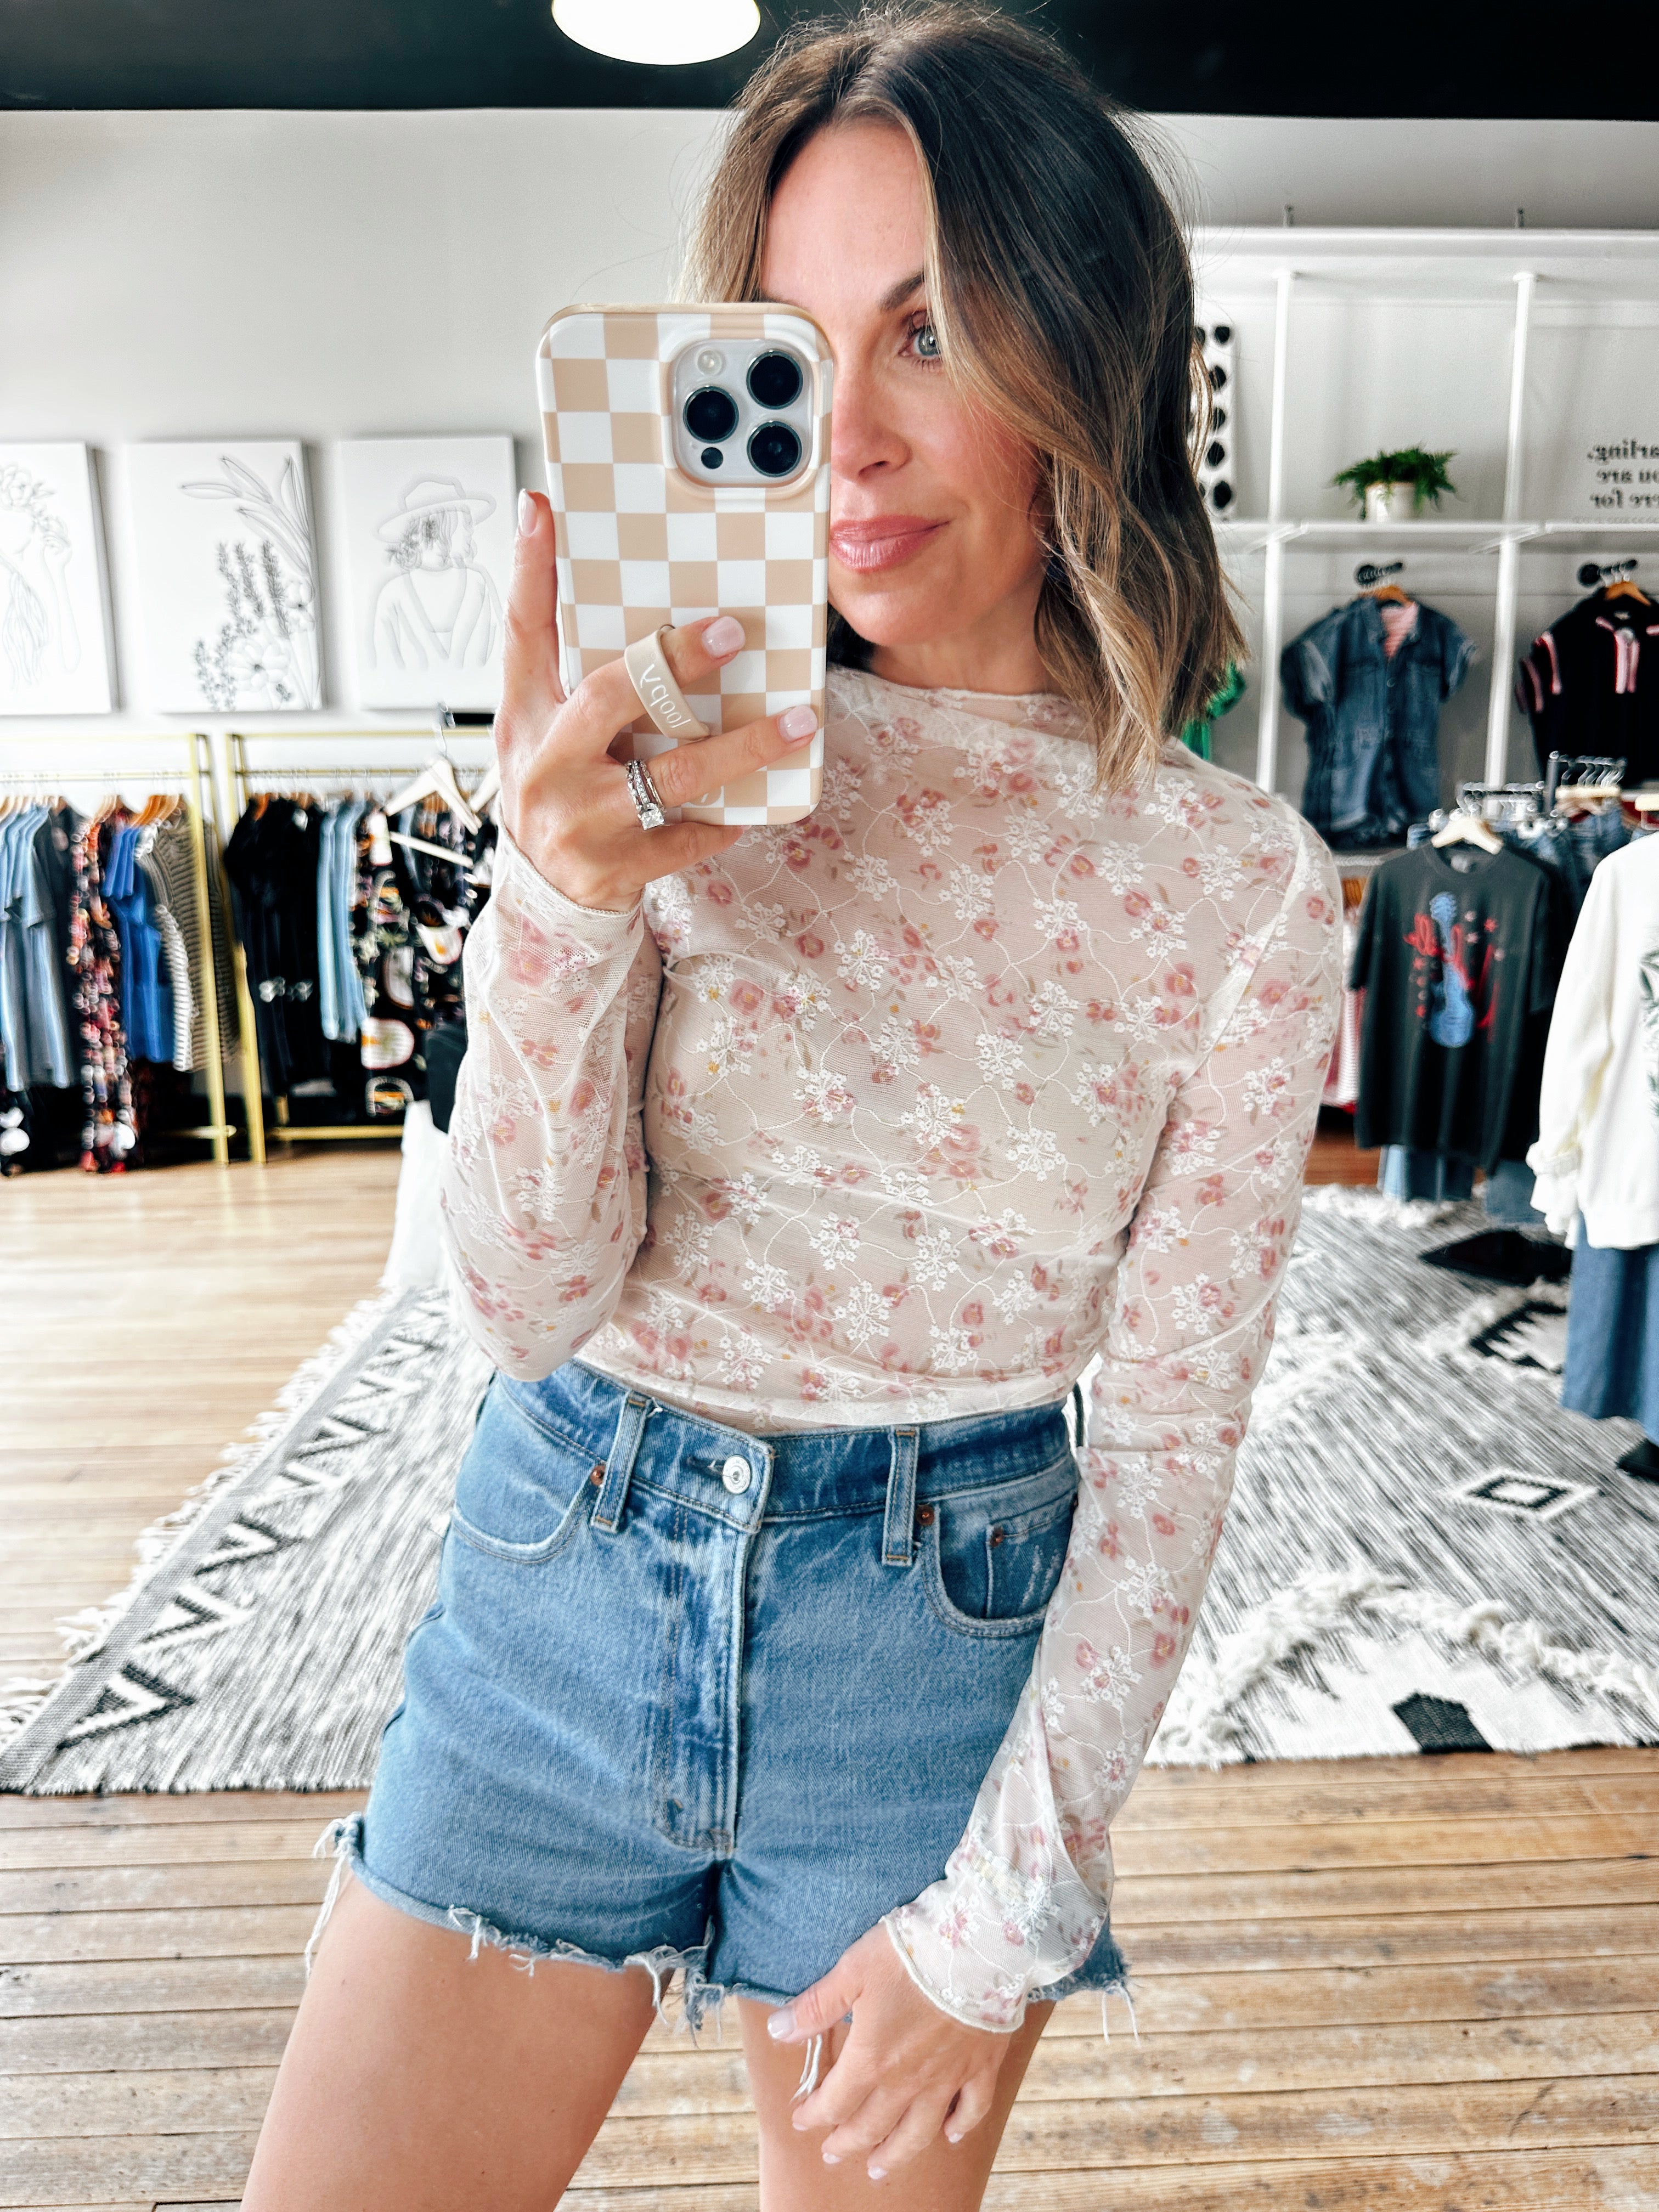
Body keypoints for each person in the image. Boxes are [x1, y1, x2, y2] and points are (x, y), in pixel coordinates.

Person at [244, 7, 1341, 2207]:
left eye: (930, 332)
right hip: (560, 1589)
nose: (841, 434)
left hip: (929, 1673)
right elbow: (523, 1301)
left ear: (1089, 352)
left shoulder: (1240, 891)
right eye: (787, 345)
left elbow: (1172, 1451)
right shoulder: (663, 769)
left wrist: (1003, 1927)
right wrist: (561, 896)